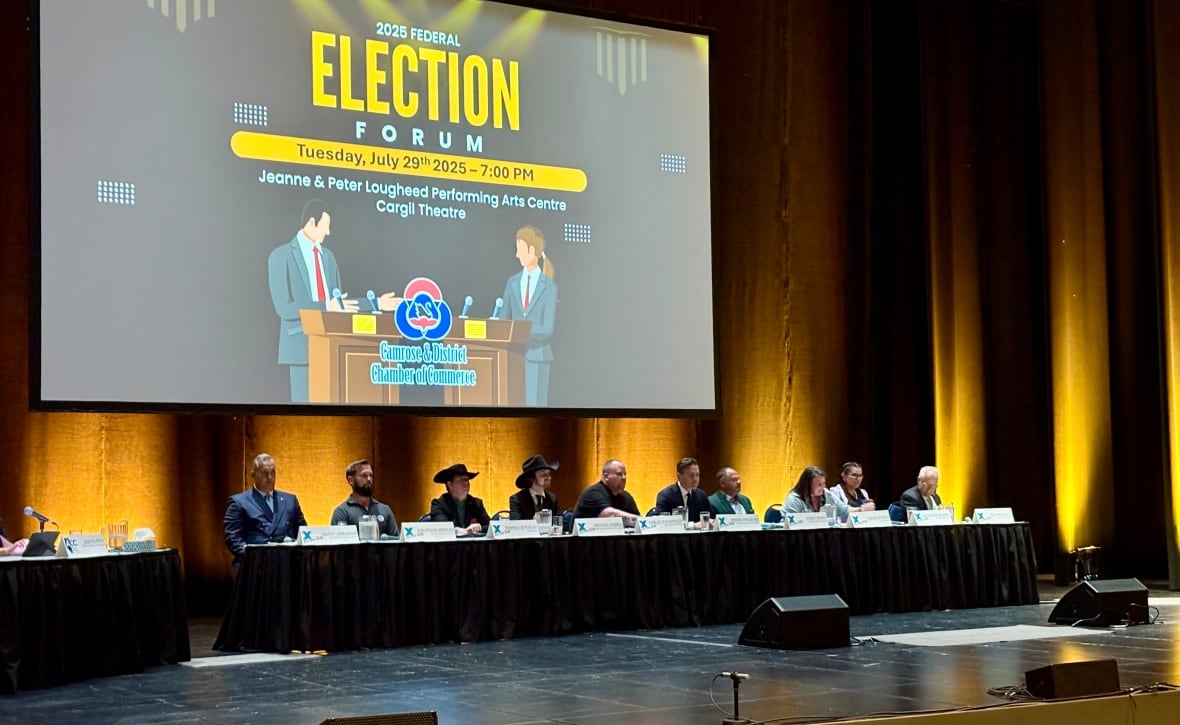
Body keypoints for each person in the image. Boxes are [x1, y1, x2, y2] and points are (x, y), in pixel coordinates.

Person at [267, 199, 398, 402]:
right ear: (312, 223)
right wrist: (327, 306)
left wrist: (377, 304)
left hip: (334, 348)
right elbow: (284, 308)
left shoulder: (328, 257)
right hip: (301, 348)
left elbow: (340, 304)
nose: (328, 232)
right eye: (325, 226)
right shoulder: (280, 256)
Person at [501, 225, 557, 406]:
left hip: (537, 358)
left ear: (532, 250)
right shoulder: (512, 283)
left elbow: (547, 328)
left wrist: (520, 334)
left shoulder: (549, 287)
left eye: (520, 249)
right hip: (512, 358)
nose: (516, 255)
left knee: (535, 408)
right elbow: (503, 321)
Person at [224, 453, 307, 563]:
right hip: (255, 565)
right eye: (264, 473)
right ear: (253, 475)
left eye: (273, 473)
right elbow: (233, 538)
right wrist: (253, 557)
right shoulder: (239, 502)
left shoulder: (290, 500)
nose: (270, 478)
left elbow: (303, 533)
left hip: (286, 564)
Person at [329, 459, 398, 536]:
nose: (369, 479)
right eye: (364, 475)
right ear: (351, 480)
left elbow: (397, 543)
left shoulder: (385, 510)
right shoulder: (342, 512)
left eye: (371, 475)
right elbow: (338, 545)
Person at [429, 463, 490, 536]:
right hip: (449, 546)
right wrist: (460, 531)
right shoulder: (439, 504)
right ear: (450, 485)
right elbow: (441, 528)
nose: (466, 483)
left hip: (473, 546)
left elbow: (490, 526)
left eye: (467, 480)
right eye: (461, 480)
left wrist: (480, 527)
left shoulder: (476, 503)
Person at [571, 459, 640, 522]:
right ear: (606, 476)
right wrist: (640, 521)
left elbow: (638, 520)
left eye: (625, 474)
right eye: (619, 474)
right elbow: (610, 515)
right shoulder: (593, 493)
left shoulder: (626, 497)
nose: (624, 478)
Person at [653, 457, 711, 524]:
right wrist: (692, 526)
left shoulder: (701, 495)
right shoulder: (666, 495)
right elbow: (661, 523)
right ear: (679, 476)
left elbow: (710, 518)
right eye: (691, 476)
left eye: (697, 475)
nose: (695, 479)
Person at [783, 465, 850, 520]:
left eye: (824, 483)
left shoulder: (826, 494)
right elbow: (791, 523)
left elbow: (844, 511)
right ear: (808, 484)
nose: (823, 487)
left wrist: (859, 509)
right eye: (819, 484)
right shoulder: (794, 499)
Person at [509, 454, 561, 520]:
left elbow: (561, 523)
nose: (549, 478)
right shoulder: (517, 500)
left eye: (549, 474)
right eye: (543, 474)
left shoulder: (552, 499)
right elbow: (515, 525)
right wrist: (533, 522)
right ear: (531, 478)